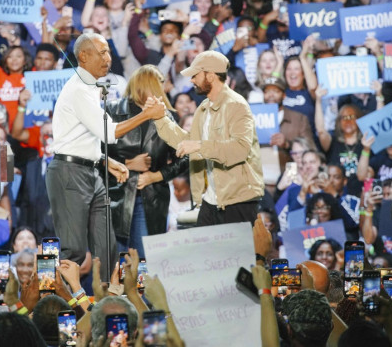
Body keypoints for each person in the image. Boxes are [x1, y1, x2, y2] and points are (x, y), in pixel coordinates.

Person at [47, 33, 164, 279]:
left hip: (91, 173)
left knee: (107, 248)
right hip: (69, 174)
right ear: (83, 56)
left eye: (109, 52)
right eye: (101, 53)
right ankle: (59, 307)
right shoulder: (79, 88)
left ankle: (106, 305)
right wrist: (147, 114)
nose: (107, 58)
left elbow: (79, 136)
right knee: (74, 251)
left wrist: (105, 161)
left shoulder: (90, 87)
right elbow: (109, 132)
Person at [147, 51, 265, 226]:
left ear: (210, 76)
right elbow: (187, 141)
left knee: (236, 255)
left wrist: (199, 146)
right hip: (209, 200)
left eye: (195, 75)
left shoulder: (236, 105)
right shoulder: (203, 108)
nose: (192, 80)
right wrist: (160, 118)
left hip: (238, 200)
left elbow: (240, 149)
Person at [106, 65, 188, 257]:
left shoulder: (166, 117)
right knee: (117, 262)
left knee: (143, 261)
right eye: (158, 85)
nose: (163, 91)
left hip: (149, 198)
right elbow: (95, 152)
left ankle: (142, 289)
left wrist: (156, 176)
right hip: (116, 196)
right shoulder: (111, 110)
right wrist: (126, 163)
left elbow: (186, 156)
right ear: (144, 86)